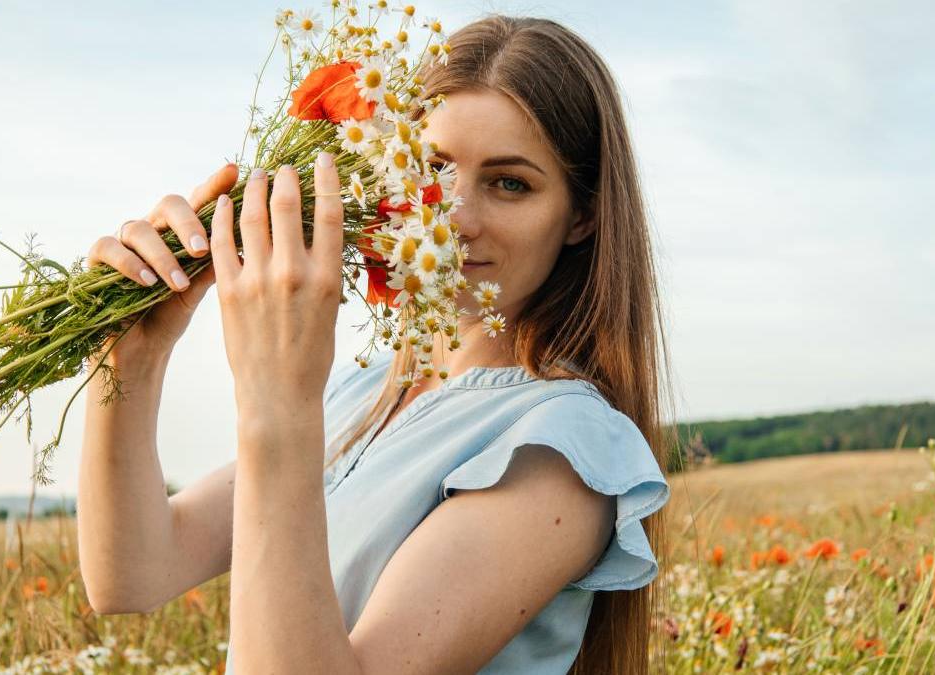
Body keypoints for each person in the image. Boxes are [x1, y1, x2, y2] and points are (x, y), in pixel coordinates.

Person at [78, 14, 675, 674]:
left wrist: (276, 399)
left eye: (510, 183)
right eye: (434, 168)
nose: (456, 218)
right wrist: (130, 358)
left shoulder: (562, 447)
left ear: (582, 216)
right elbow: (132, 570)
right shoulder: (370, 392)